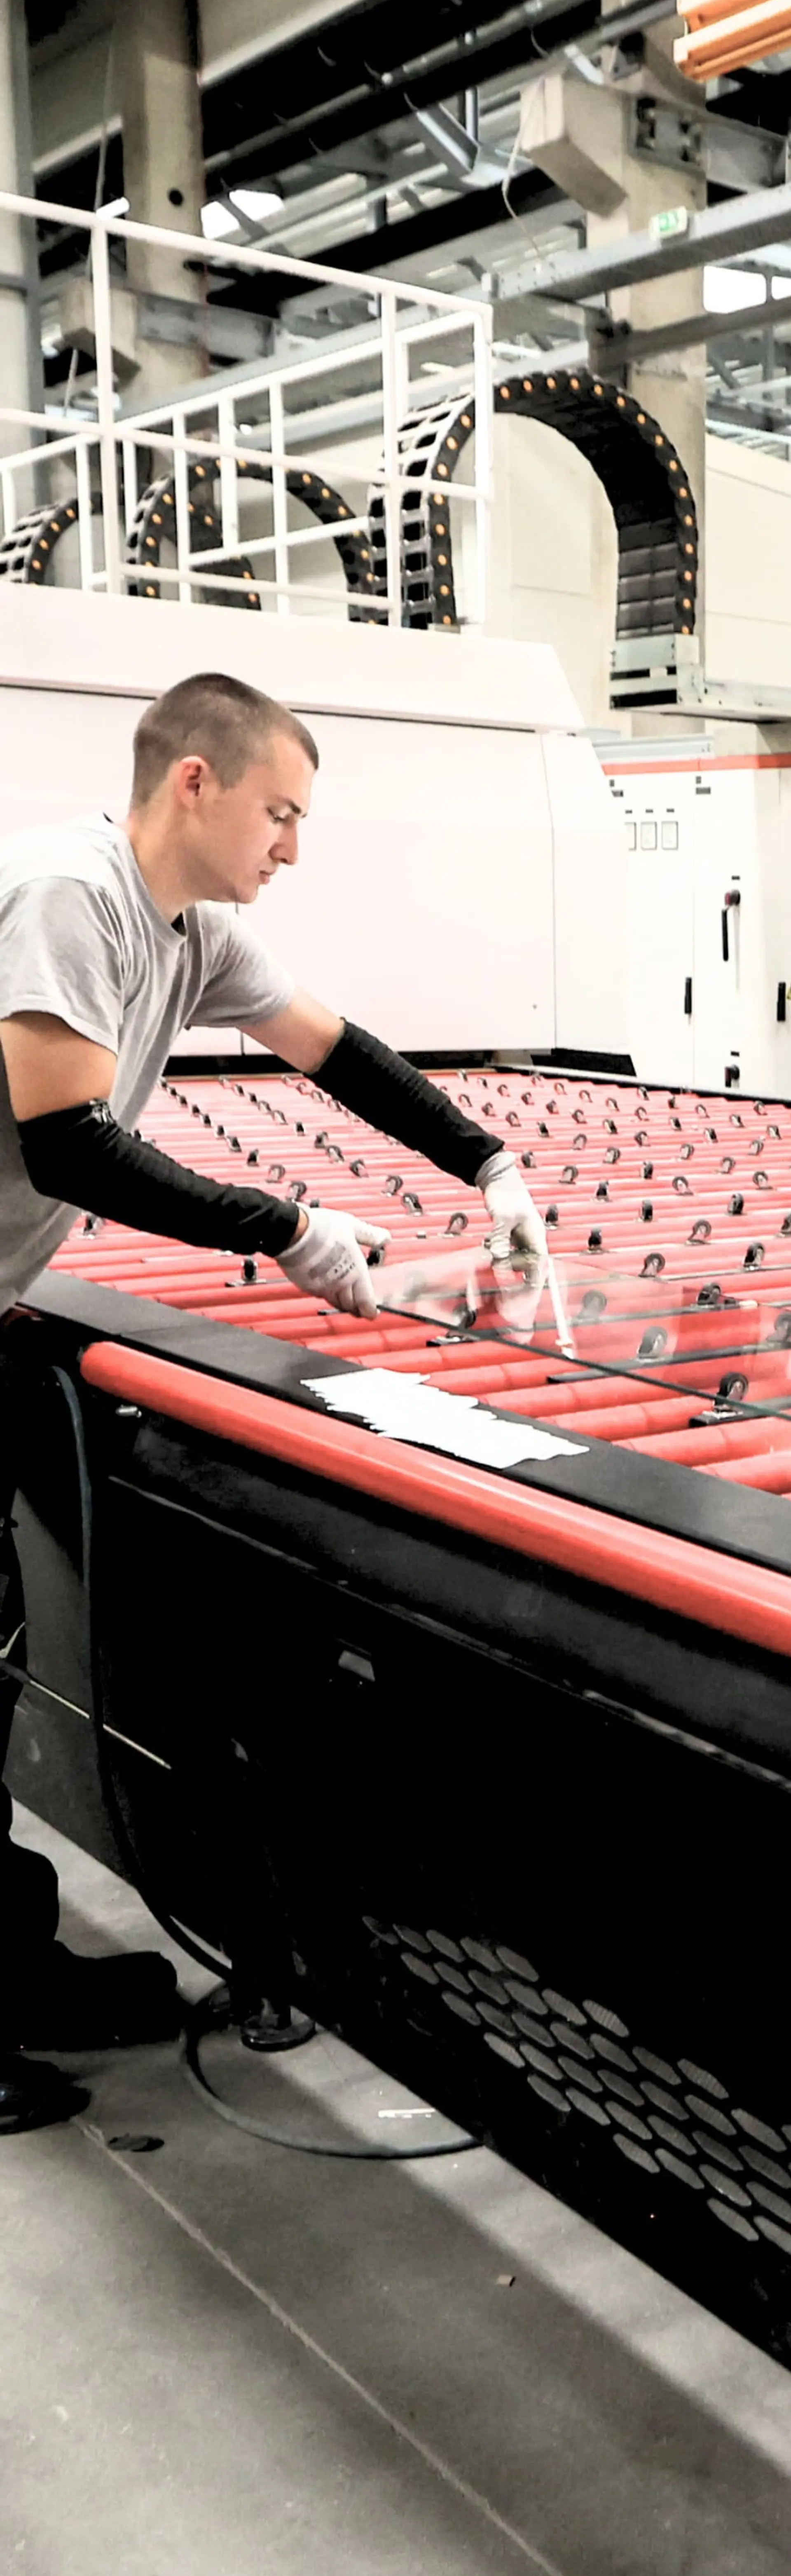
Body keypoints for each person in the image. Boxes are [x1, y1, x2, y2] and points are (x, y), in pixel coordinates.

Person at [0, 670, 547, 2134]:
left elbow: (344, 1057)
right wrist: (283, 1227)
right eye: (281, 813)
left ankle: (8, 1970)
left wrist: (487, 1161)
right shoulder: (66, 892)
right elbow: (72, 1149)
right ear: (198, 782)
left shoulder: (199, 933)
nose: (291, 847)